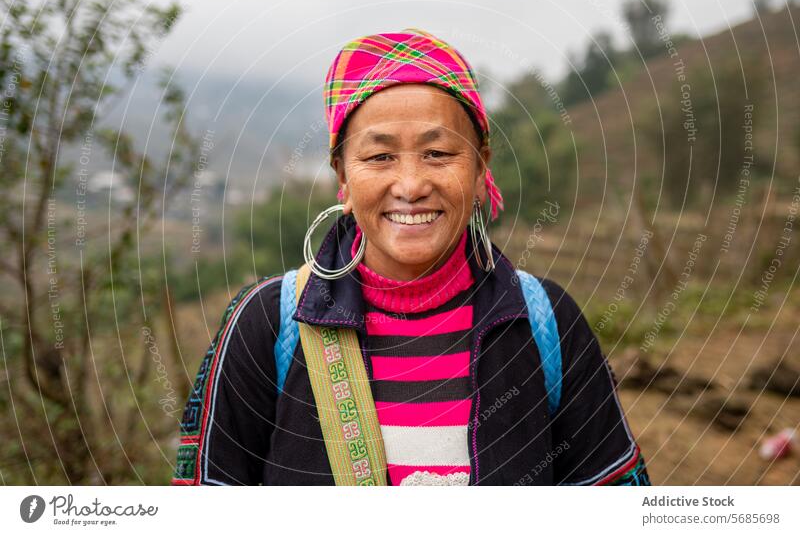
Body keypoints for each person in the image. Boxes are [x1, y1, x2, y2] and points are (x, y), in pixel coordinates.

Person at [170, 28, 651, 486]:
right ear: (342, 174)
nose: (411, 186)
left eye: (438, 153)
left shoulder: (546, 320)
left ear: (482, 167)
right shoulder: (266, 324)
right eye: (379, 157)